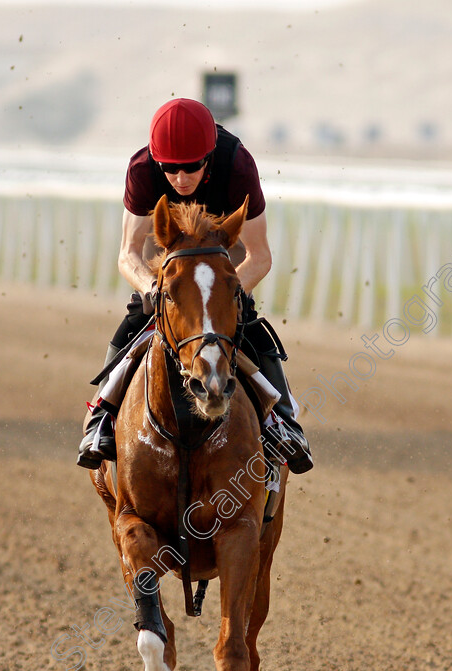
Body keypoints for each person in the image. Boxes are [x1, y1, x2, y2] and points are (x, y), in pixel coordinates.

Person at [77, 98, 313, 474]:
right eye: (170, 169)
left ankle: (283, 421)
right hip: (168, 252)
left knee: (248, 325)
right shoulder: (142, 170)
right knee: (135, 320)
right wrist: (154, 292)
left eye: (192, 168)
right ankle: (101, 419)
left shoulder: (237, 165)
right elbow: (128, 254)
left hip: (224, 250)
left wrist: (226, 296)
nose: (181, 179)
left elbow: (260, 256)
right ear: (157, 161)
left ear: (210, 157)